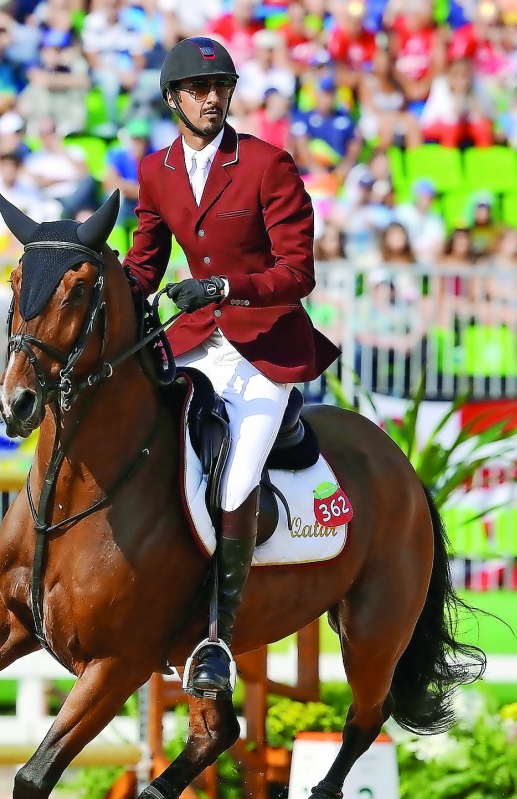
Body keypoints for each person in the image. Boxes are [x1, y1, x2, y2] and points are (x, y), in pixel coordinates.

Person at [123, 36, 339, 700]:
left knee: (237, 473)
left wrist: (223, 289)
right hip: (192, 341)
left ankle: (216, 634)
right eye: (198, 89)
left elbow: (297, 273)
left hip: (264, 344)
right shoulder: (155, 170)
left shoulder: (268, 165)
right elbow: (143, 265)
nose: (212, 98)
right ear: (172, 99)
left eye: (221, 87)